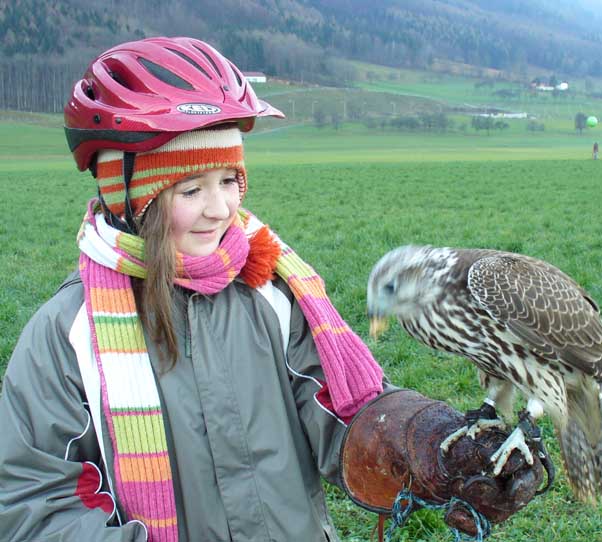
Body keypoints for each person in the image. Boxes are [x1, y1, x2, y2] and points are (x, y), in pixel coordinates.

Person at [0, 37, 542, 542]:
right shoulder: (66, 335)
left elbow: (340, 408)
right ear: (128, 196)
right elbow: (33, 502)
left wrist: (425, 444)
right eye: (190, 189)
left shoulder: (270, 288)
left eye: (229, 181)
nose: (220, 209)